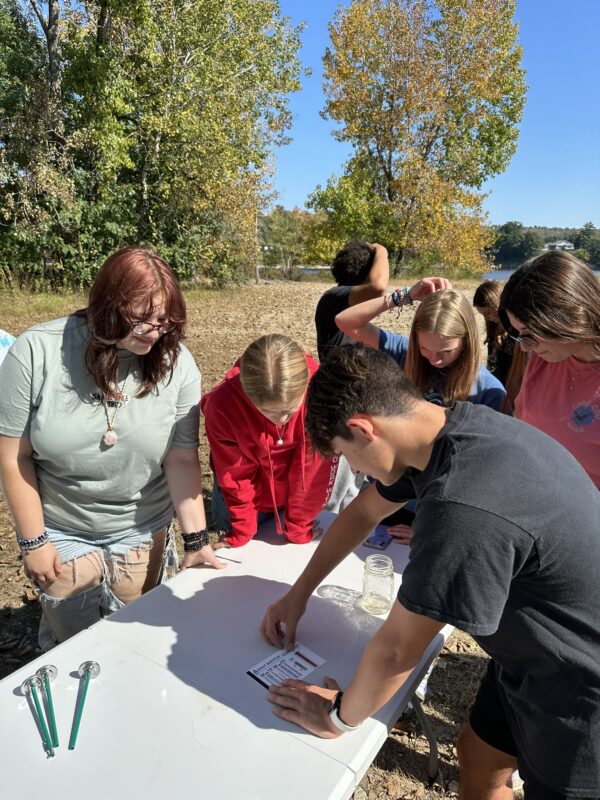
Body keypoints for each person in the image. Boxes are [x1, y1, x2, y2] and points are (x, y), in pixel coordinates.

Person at [261, 344, 600, 800]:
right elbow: (364, 512)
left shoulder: (462, 507)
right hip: (529, 657)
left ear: (363, 430)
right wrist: (299, 593)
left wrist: (337, 717)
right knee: (478, 754)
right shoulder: (444, 430)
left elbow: (399, 649)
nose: (356, 473)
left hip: (579, 690)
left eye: (346, 457)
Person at [0, 247, 223, 651]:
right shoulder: (36, 351)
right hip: (63, 526)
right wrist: (33, 541)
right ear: (107, 304)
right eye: (141, 319)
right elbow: (13, 457)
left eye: (164, 322)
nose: (154, 333)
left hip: (141, 526)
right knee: (74, 642)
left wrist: (195, 539)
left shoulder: (177, 363)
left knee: (131, 637)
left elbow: (181, 456)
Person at [201, 333, 337, 549]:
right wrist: (242, 530)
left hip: (299, 499)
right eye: (266, 411)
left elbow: (313, 470)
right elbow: (235, 474)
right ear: (246, 393)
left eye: (289, 410)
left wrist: (299, 525)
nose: (281, 420)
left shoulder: (321, 394)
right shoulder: (223, 405)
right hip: (241, 505)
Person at [499, 251, 600, 488]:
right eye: (518, 334)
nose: (524, 348)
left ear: (574, 315)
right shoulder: (544, 358)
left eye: (530, 334)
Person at [336, 286, 505, 411]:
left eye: (446, 351)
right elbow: (345, 321)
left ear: (467, 342)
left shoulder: (489, 391)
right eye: (425, 349)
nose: (434, 359)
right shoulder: (405, 352)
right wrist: (404, 296)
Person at [315, 239, 389, 361]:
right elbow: (378, 286)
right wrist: (382, 251)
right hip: (338, 378)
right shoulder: (333, 297)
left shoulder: (343, 299)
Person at [473, 280, 515, 387]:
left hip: (510, 385)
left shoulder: (515, 331)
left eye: (488, 313)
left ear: (499, 304)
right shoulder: (493, 329)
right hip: (495, 383)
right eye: (483, 314)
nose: (487, 318)